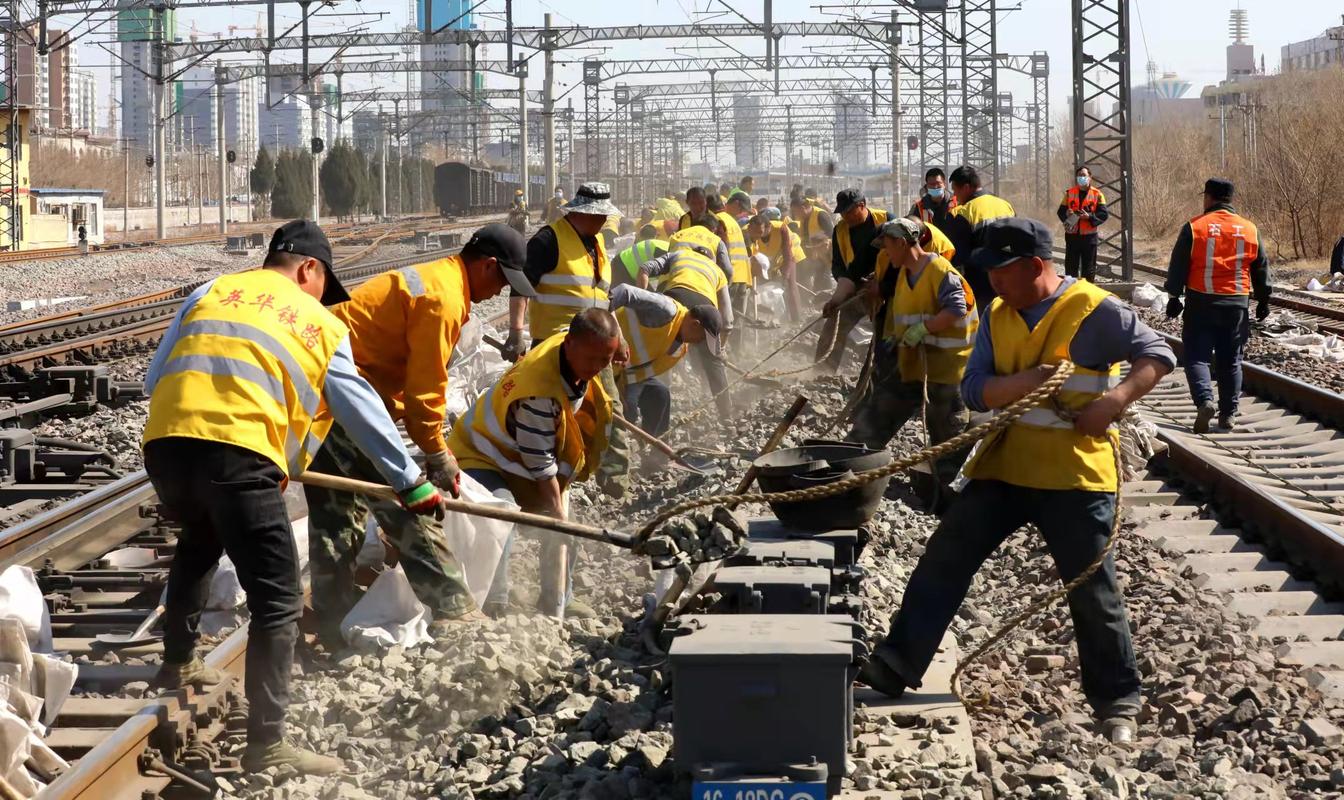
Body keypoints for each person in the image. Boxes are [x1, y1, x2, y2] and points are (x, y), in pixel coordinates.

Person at [141, 220, 449, 775]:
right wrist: (411, 481)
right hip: (238, 456)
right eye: (322, 283)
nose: (321, 297)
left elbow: (153, 377)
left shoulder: (209, 291)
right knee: (278, 601)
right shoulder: (317, 321)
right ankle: (269, 747)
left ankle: (178, 663)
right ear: (309, 268)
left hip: (165, 446)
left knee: (199, 542)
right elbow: (360, 407)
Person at [858, 217, 1175, 745]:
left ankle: (1117, 700)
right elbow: (974, 390)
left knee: (1093, 589)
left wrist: (1115, 401)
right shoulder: (998, 314)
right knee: (946, 556)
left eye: (999, 271)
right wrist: (1025, 383)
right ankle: (896, 662)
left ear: (1034, 266)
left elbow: (1158, 354)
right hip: (1004, 467)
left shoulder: (1093, 310)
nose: (992, 282)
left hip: (1074, 474)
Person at [304, 223, 534, 646]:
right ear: (487, 266)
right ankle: (454, 609)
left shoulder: (439, 279)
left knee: (335, 514)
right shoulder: (443, 298)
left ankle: (332, 613)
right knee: (405, 499)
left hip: (321, 395)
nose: (501, 292)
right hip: (344, 399)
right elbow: (426, 393)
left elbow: (409, 384)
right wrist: (436, 453)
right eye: (502, 281)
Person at [450, 309, 619, 619]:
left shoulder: (568, 349)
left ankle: (558, 599)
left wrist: (560, 515)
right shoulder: (539, 394)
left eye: (605, 361)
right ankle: (493, 603)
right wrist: (556, 512)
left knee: (567, 522)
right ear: (570, 345)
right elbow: (539, 463)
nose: (597, 369)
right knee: (500, 512)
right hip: (479, 451)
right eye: (593, 359)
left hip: (515, 454)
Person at [501, 183, 633, 498]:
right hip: (558, 344)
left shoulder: (597, 242)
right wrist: (517, 332)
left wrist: (620, 337)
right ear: (581, 213)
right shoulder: (548, 241)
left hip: (598, 340)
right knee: (552, 413)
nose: (604, 222)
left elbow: (603, 298)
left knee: (609, 408)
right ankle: (547, 482)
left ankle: (612, 481)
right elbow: (521, 287)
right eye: (599, 216)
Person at [846, 219, 976, 510]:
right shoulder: (905, 273)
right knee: (873, 422)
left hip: (945, 374)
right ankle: (847, 474)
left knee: (946, 445)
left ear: (902, 243)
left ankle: (947, 507)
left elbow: (957, 308)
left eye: (887, 246)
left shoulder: (940, 271)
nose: (885, 253)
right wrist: (895, 339)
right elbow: (904, 315)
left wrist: (924, 329)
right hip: (911, 367)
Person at [1163, 178, 1270, 433]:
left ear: (1208, 197)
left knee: (1197, 357)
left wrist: (1174, 297)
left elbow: (1178, 265)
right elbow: (1261, 267)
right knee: (1231, 360)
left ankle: (1204, 402)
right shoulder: (1249, 229)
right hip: (1236, 304)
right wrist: (1264, 300)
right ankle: (1228, 415)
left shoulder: (1194, 227)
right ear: (1230, 199)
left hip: (1201, 302)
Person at [638, 218, 736, 419]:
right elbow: (728, 321)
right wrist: (719, 350)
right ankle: (727, 416)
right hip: (705, 306)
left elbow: (645, 269)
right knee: (713, 364)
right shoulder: (717, 271)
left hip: (674, 301)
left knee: (662, 353)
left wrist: (648, 297)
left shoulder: (679, 255)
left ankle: (654, 409)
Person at [610, 283, 722, 444]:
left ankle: (653, 451)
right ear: (695, 324)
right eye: (702, 337)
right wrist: (615, 335)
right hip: (601, 360)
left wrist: (627, 393)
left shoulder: (679, 348)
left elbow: (641, 372)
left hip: (625, 375)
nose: (699, 343)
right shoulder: (666, 310)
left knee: (660, 395)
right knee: (624, 412)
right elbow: (622, 291)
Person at [821, 189, 886, 372]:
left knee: (884, 334)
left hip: (883, 287)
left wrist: (881, 283)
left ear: (862, 205)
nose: (845, 216)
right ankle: (822, 373)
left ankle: (878, 376)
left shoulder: (885, 220)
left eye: (849, 211)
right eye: (842, 212)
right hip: (855, 286)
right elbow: (838, 265)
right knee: (834, 325)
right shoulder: (840, 230)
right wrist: (841, 293)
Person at [944, 165, 1015, 310]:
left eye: (956, 190)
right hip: (1011, 280)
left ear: (966, 187)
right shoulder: (1005, 205)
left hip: (981, 286)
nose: (955, 196)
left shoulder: (965, 212)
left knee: (985, 327)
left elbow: (959, 256)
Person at [748, 209, 805, 321]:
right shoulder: (747, 231)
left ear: (769, 227)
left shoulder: (781, 229)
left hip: (784, 257)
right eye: (754, 232)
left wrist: (784, 276)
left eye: (760, 232)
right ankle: (762, 317)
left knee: (790, 284)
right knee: (758, 288)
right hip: (763, 260)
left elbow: (787, 254)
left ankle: (796, 318)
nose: (757, 236)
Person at [1057, 166, 1109, 282]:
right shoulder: (1069, 193)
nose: (1081, 177)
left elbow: (1104, 214)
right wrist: (1068, 215)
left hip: (1089, 238)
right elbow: (1060, 212)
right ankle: (1071, 294)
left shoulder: (1098, 194)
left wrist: (1089, 217)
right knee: (1070, 270)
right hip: (1072, 237)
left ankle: (1087, 294)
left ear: (1090, 177)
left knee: (1089, 270)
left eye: (1084, 175)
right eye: (1079, 175)